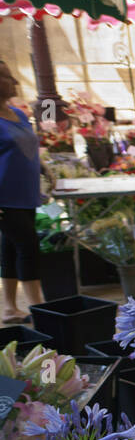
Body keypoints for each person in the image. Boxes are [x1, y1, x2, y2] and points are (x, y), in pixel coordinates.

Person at [0, 62, 44, 324]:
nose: (10, 81)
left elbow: (28, 147)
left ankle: (9, 308)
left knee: (10, 248)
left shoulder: (17, 113)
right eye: (4, 77)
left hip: (25, 193)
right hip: (4, 196)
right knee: (28, 246)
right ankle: (39, 309)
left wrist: (44, 168)